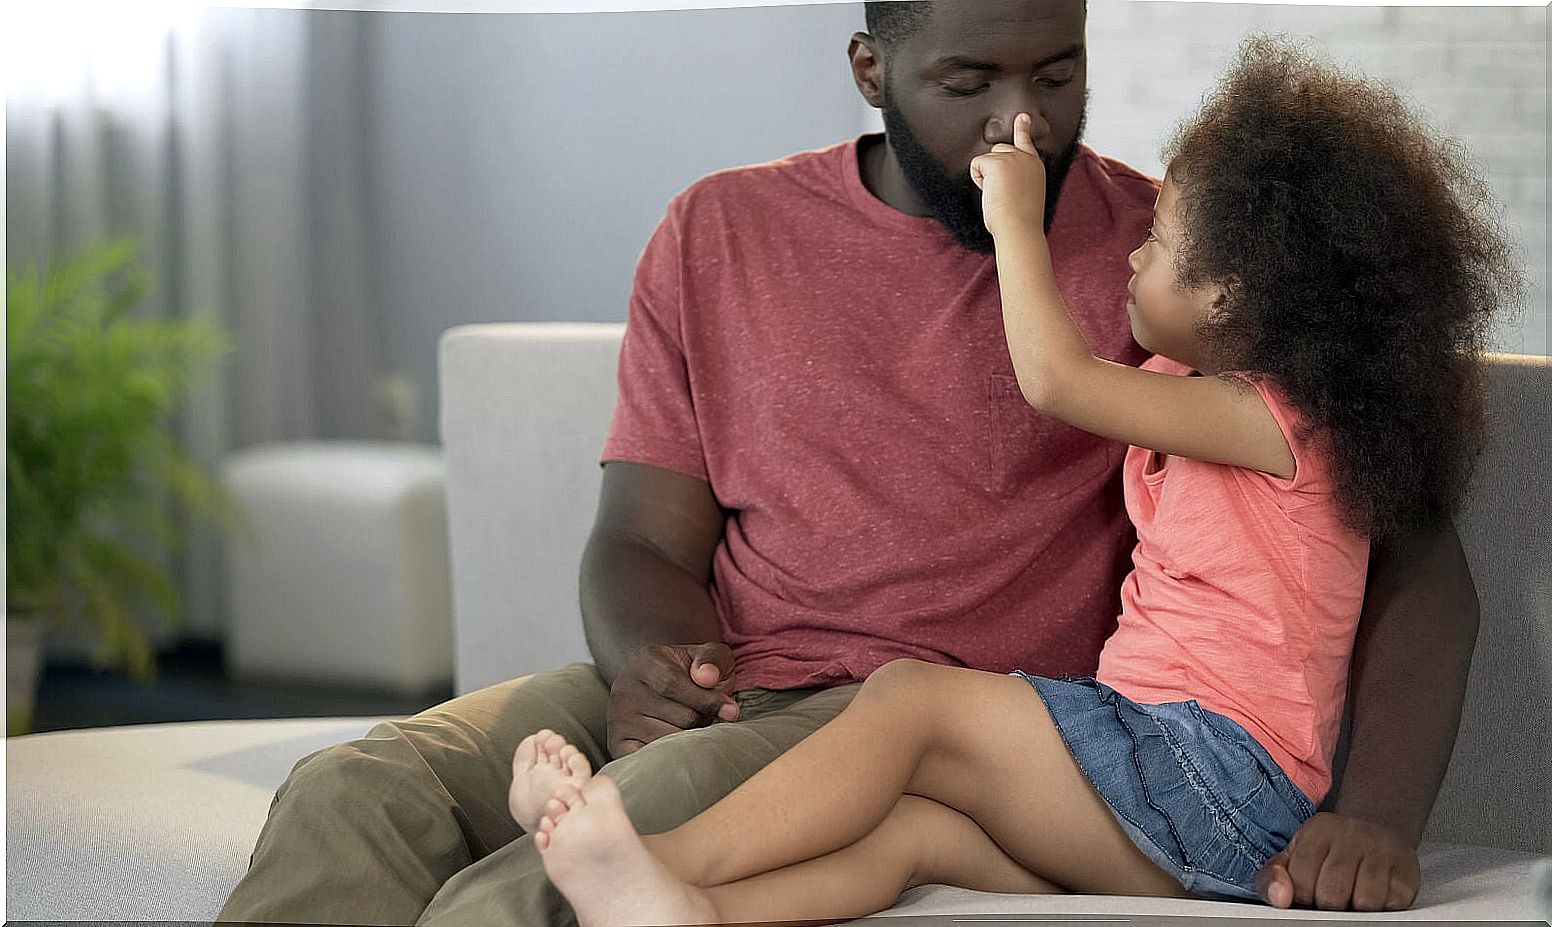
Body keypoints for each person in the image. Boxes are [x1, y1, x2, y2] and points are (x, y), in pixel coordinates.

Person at [216, 3, 1487, 923]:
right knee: (354, 788)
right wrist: (646, 667)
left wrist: (1372, 816)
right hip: (737, 678)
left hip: (921, 714)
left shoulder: (1195, 272)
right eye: (969, 80)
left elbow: (1402, 543)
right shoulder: (720, 231)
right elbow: (642, 540)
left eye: (1059, 68)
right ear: (872, 68)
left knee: (529, 893)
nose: (1020, 122)